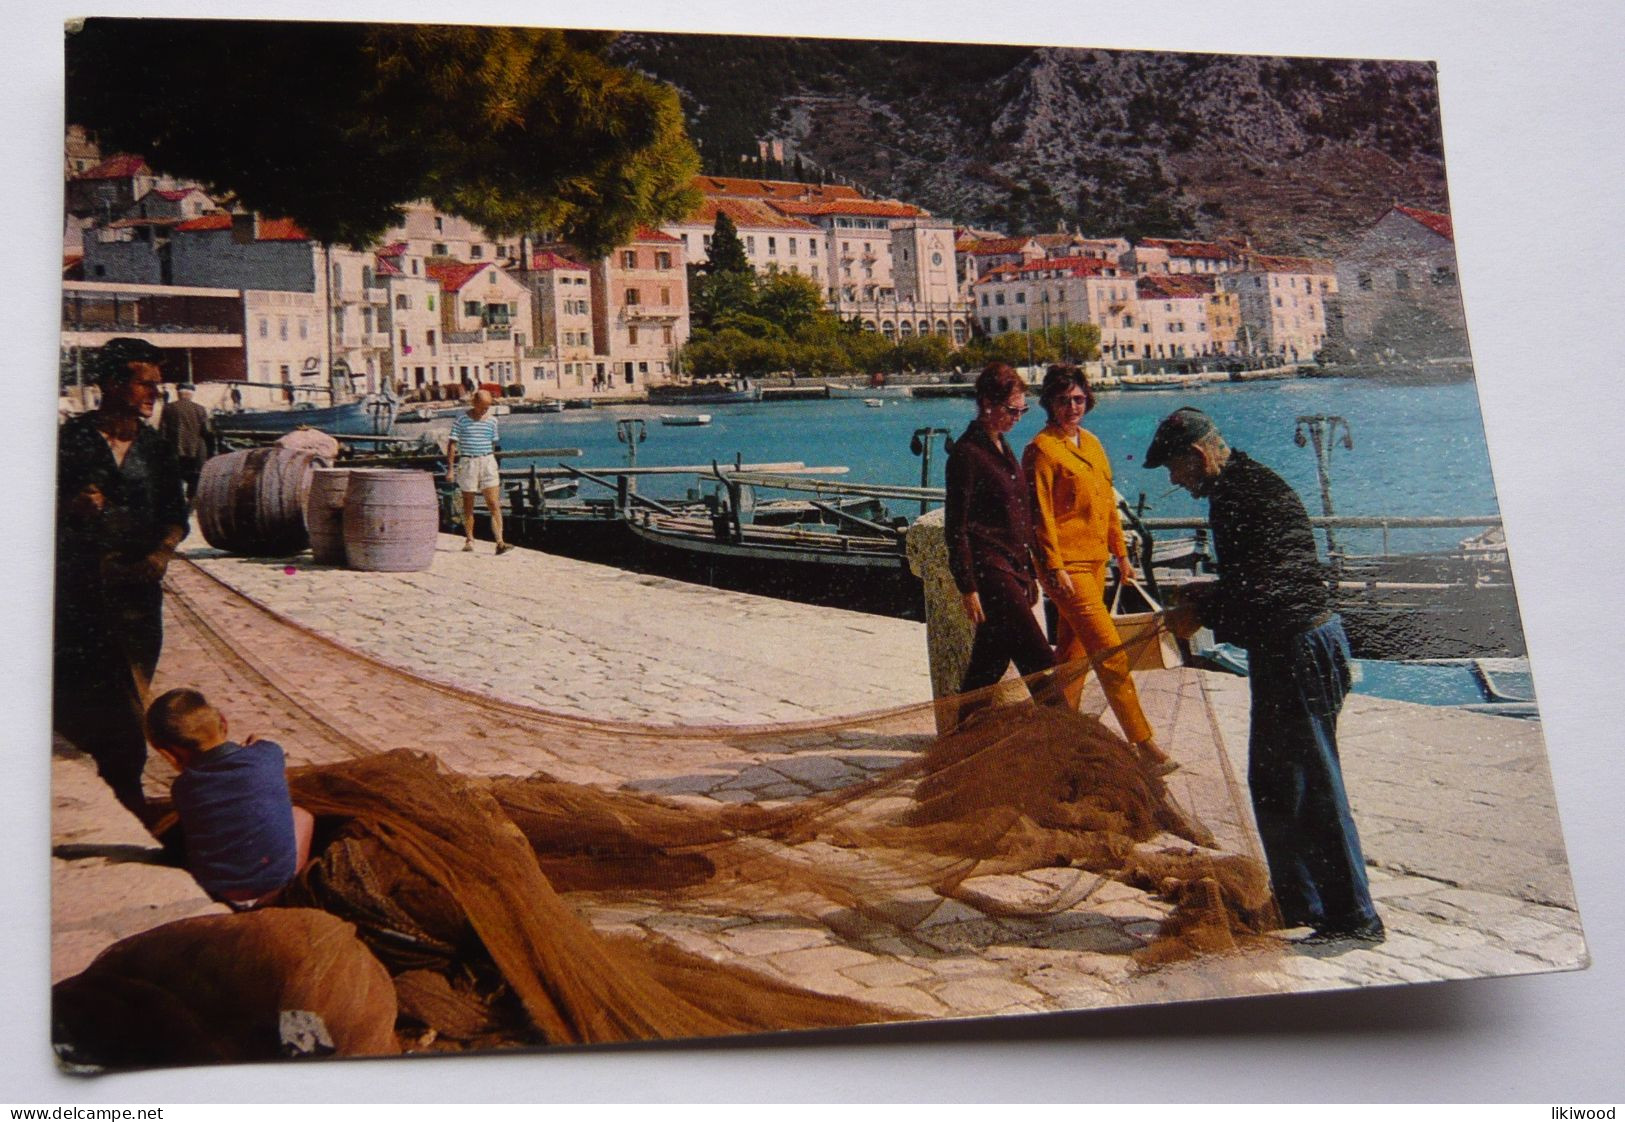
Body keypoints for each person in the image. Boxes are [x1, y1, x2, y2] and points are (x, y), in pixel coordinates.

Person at [1143, 406, 1383, 945]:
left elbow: (1269, 588)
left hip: (1300, 646)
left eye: (1175, 469)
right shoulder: (1245, 487)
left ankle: (1354, 918)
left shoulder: (1239, 496)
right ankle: (1302, 902)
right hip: (1291, 645)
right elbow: (1259, 577)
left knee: (1314, 783)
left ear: (1198, 456)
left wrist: (1205, 612)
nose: (1175, 481)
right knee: (1276, 781)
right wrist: (1211, 595)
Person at [55, 337, 189, 819]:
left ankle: (125, 796)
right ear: (112, 383)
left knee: (131, 701)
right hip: (77, 599)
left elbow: (177, 516)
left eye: (158, 384)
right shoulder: (69, 440)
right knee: (81, 700)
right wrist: (66, 506)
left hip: (137, 601)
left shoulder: (156, 449)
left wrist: (160, 555)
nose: (155, 392)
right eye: (145, 383)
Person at [1022, 365, 1174, 774]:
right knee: (1110, 653)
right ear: (1048, 404)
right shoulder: (1042, 449)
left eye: (1078, 399)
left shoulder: (1091, 443)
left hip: (1096, 564)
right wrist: (1052, 568)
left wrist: (1122, 555)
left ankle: (1059, 735)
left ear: (1087, 399)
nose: (1072, 407)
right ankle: (1144, 744)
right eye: (1063, 400)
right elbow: (1040, 517)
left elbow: (1107, 503)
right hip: (1066, 569)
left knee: (1071, 657)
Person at [944, 363, 1056, 707]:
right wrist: (968, 586)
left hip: (1014, 570)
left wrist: (1030, 572)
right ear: (986, 403)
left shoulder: (1003, 449)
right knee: (1041, 665)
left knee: (988, 666)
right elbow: (956, 526)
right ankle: (1077, 746)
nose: (1018, 417)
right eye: (1011, 410)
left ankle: (960, 739)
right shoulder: (967, 454)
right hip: (991, 573)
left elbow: (1018, 517)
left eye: (1022, 410)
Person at [145, 688, 315, 908]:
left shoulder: (183, 787)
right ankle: (288, 888)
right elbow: (252, 769)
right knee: (301, 815)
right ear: (223, 723)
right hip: (274, 882)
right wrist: (254, 748)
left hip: (219, 887)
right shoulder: (270, 752)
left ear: (168, 753)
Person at [446, 389, 513, 555]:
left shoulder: (492, 422)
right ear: (474, 403)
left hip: (487, 460)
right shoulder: (461, 421)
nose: (485, 410)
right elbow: (452, 445)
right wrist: (450, 469)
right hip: (468, 461)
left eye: (488, 407)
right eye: (483, 407)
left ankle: (499, 541)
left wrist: (493, 463)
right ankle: (469, 539)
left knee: (494, 503)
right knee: (468, 504)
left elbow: (492, 444)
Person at [158, 381, 215, 506]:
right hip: (196, 451)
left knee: (175, 477)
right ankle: (191, 504)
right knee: (195, 478)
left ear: (178, 394)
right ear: (191, 394)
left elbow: (162, 431)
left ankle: (177, 503)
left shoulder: (168, 408)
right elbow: (207, 431)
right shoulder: (200, 409)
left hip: (175, 450)